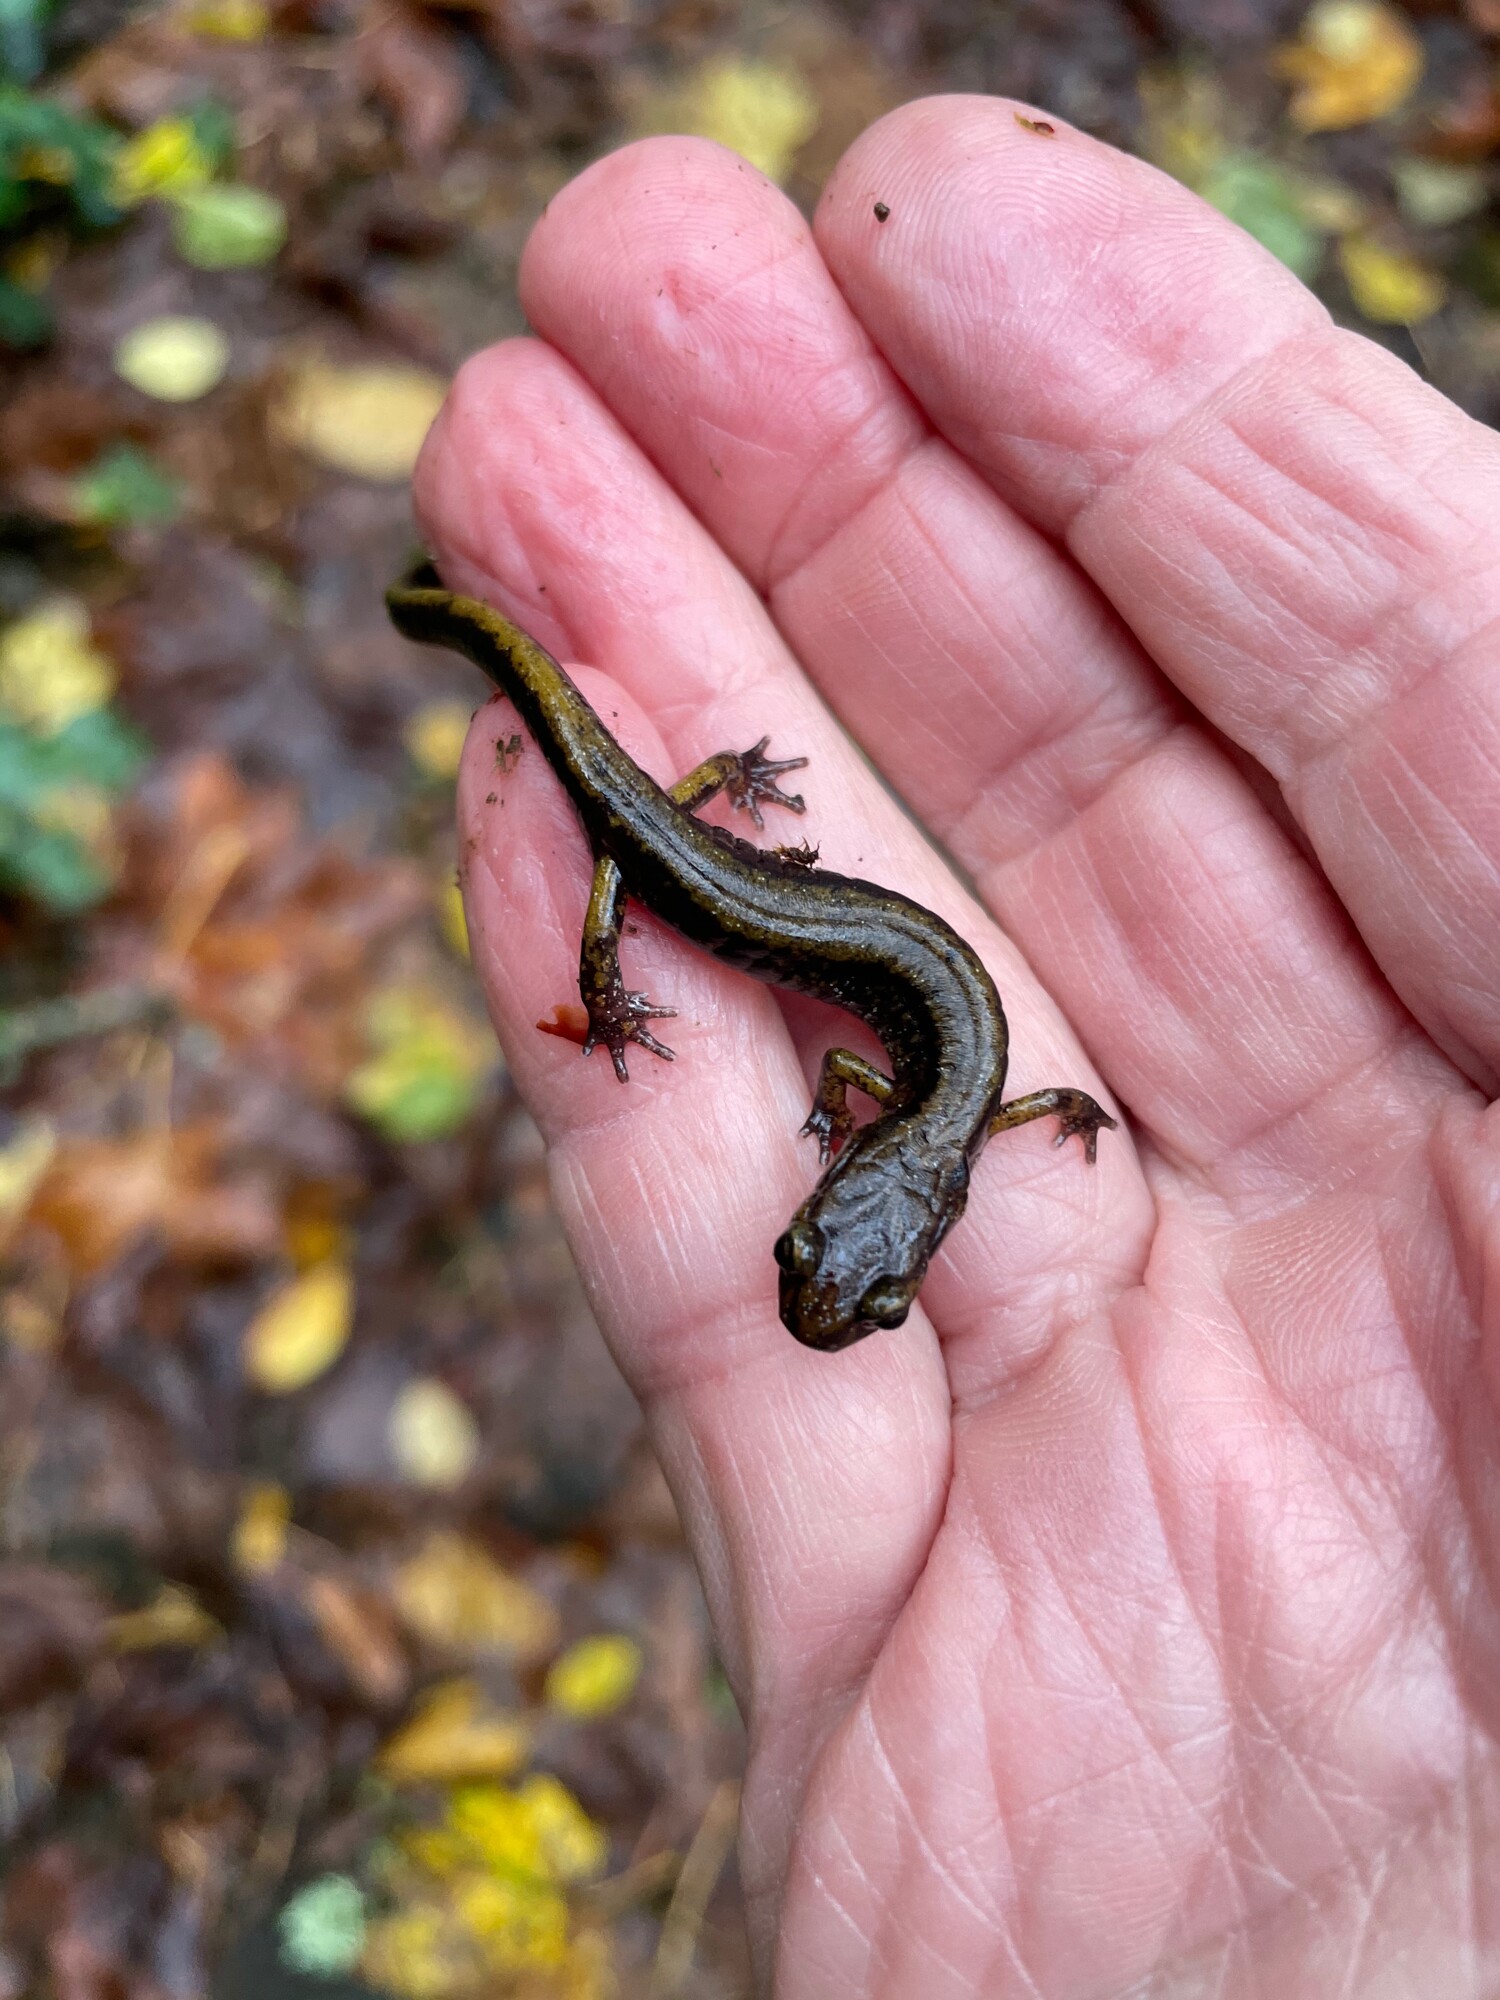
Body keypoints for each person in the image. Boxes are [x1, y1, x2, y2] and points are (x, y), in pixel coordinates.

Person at [411, 97, 1500, 1997]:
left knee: (662, 866)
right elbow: (970, 1094)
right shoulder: (955, 1102)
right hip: (686, 859)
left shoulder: (946, 1109)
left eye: (834, 1256)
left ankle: (581, 742)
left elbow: (987, 1098)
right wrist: (667, 986)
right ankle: (480, 654)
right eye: (839, 1255)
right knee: (614, 889)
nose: (828, 1254)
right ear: (884, 1204)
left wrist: (1032, 1112)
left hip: (743, 871)